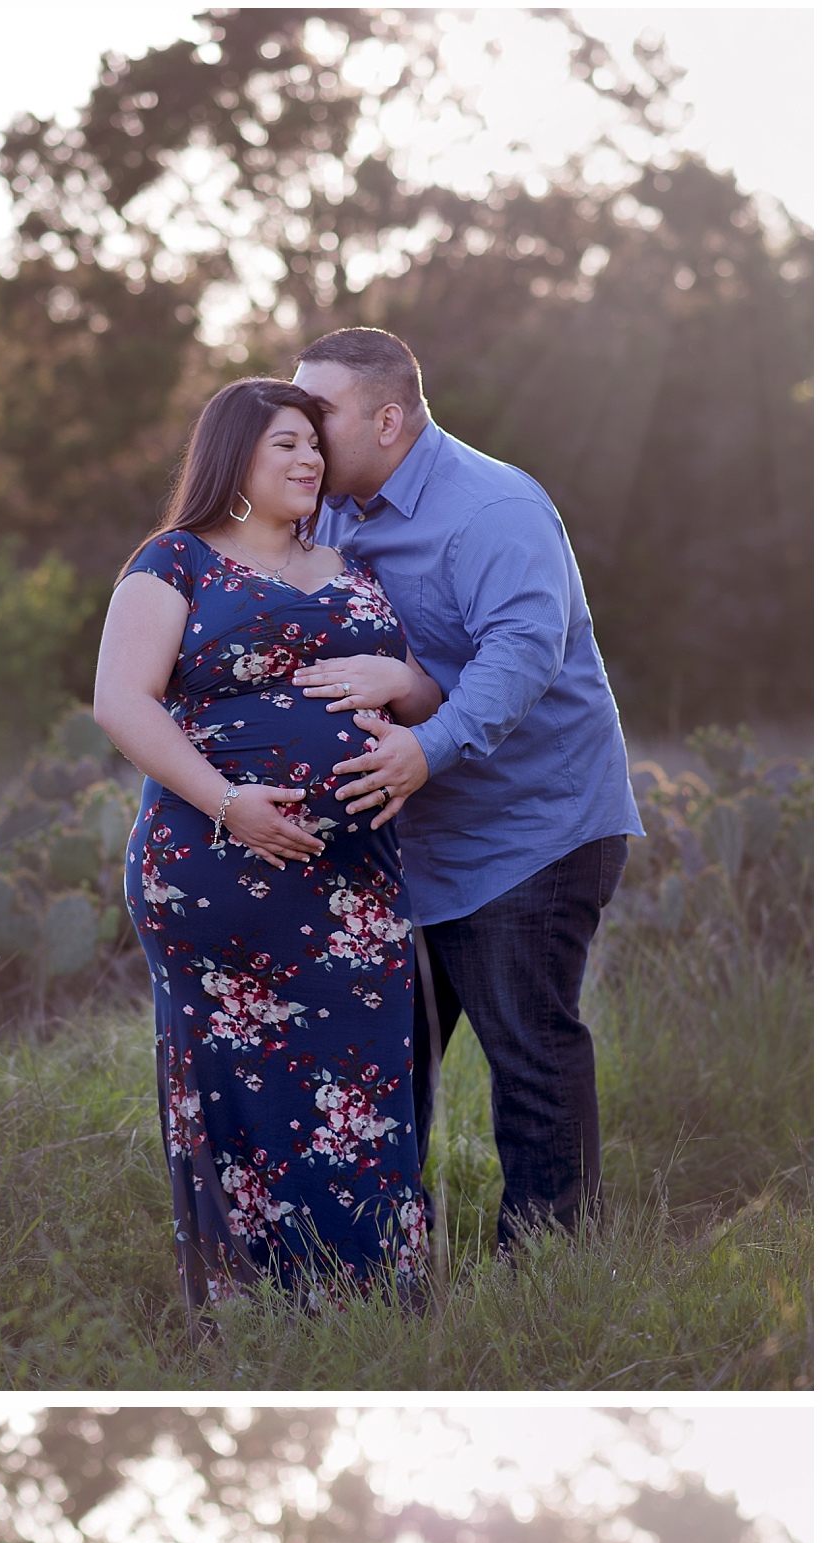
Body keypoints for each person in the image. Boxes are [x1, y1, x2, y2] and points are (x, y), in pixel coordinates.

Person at [93, 378, 438, 1323]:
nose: (309, 461)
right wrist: (229, 800)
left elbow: (423, 704)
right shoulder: (176, 562)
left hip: (355, 886)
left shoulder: (352, 565)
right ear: (233, 455)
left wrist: (402, 679)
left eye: (315, 447)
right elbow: (123, 702)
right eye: (285, 443)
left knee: (367, 1085)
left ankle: (374, 1305)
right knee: (238, 1091)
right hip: (217, 865)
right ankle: (259, 1312)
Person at [291, 328, 645, 1244]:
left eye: (319, 411)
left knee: (528, 1056)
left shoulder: (494, 508)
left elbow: (522, 652)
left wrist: (429, 745)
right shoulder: (325, 508)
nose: (300, 427)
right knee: (382, 1062)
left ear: (388, 418)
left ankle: (548, 1271)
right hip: (403, 841)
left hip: (531, 829)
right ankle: (382, 1263)